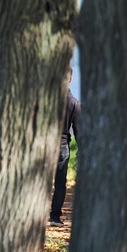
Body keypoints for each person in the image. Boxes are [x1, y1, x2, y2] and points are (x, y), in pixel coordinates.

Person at [50, 69, 80, 226]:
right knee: (60, 182)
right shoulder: (74, 102)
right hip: (62, 146)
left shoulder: (47, 101)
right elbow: (78, 130)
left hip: (46, 145)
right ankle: (55, 216)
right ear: (70, 79)